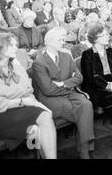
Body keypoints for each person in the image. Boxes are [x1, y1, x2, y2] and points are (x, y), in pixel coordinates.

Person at [0, 33, 56, 158]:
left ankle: (36, 155)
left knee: (36, 129)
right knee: (44, 116)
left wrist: (36, 103)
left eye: (15, 45)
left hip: (18, 112)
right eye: (11, 45)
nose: (16, 48)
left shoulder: (17, 68)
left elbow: (28, 93)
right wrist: (21, 101)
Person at [31, 27, 95, 159]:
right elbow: (47, 89)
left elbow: (79, 77)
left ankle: (84, 150)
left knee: (87, 104)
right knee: (82, 113)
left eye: (63, 39)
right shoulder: (39, 62)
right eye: (59, 40)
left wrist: (63, 83)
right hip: (49, 99)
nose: (63, 42)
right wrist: (69, 84)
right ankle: (85, 152)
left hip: (68, 93)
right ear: (49, 42)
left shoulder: (66, 56)